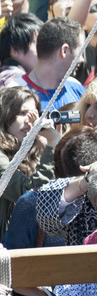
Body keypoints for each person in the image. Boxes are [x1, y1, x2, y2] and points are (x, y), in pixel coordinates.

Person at [0, 86, 59, 234]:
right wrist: (51, 148)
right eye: (23, 113)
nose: (29, 120)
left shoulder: (35, 150)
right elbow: (30, 196)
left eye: (34, 114)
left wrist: (49, 149)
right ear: (5, 115)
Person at [14, 17, 85, 109]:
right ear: (64, 50)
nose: (82, 59)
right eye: (80, 52)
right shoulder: (15, 92)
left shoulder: (76, 88)